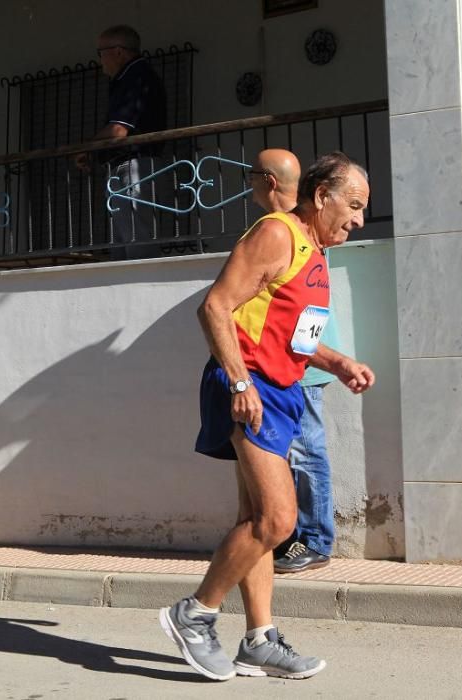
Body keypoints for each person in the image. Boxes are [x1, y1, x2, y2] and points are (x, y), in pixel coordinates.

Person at [159, 152, 375, 682]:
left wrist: (337, 361)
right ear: (321, 196)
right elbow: (214, 307)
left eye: (364, 209)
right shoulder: (278, 234)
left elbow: (300, 338)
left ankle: (258, 640)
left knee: (254, 522)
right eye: (353, 205)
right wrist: (239, 383)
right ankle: (195, 614)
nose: (360, 219)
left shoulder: (316, 254)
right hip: (248, 386)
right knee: (278, 520)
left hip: (281, 390)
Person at [247, 148, 339, 574]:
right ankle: (285, 539)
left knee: (306, 450)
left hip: (298, 362)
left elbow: (309, 307)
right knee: (287, 454)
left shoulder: (300, 229)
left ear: (267, 181)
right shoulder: (290, 228)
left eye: (251, 176)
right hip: (280, 362)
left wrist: (314, 357)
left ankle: (315, 541)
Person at [80, 25, 167, 259]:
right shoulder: (130, 77)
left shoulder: (136, 77)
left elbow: (118, 130)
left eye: (101, 52)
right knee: (124, 240)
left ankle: (143, 286)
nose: (99, 60)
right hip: (129, 164)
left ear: (118, 52)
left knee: (136, 240)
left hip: (135, 165)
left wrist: (86, 147)